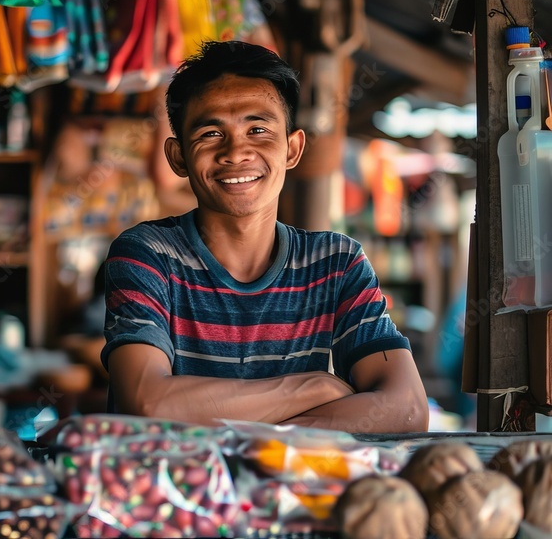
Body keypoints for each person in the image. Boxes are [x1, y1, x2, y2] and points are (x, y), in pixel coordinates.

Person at [102, 41, 428, 433]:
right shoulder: (147, 255)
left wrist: (258, 434)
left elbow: (407, 410)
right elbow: (147, 404)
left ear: (292, 148)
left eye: (258, 130)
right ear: (178, 157)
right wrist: (313, 387)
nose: (236, 152)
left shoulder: (337, 263)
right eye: (210, 133)